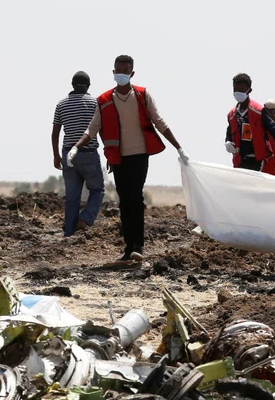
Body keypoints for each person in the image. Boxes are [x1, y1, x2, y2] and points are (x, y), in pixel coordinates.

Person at [68, 54, 188, 263]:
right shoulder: (104, 100)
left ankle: (137, 246)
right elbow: (93, 128)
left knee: (136, 198)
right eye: (118, 70)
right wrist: (76, 148)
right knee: (124, 202)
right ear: (113, 72)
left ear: (131, 74)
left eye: (125, 71)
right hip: (119, 158)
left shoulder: (142, 95)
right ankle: (128, 247)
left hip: (140, 155)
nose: (121, 74)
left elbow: (159, 122)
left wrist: (179, 148)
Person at [52, 71, 103, 236]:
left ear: (72, 85)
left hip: (68, 154)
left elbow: (55, 133)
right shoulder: (96, 103)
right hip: (89, 153)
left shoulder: (61, 104)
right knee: (97, 190)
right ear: (88, 86)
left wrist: (56, 155)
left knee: (72, 196)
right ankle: (85, 219)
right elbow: (101, 129)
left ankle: (69, 232)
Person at [224, 74, 275, 175]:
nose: (238, 93)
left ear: (249, 91)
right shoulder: (232, 115)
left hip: (256, 160)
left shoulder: (259, 112)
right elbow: (229, 132)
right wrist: (228, 142)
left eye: (241, 90)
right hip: (239, 160)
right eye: (235, 90)